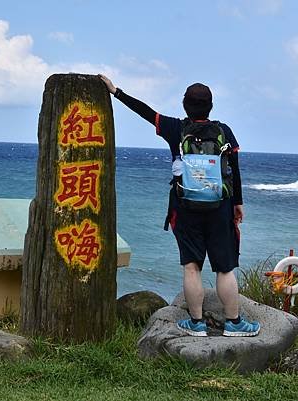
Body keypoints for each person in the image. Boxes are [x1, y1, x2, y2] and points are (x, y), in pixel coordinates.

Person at [98, 74, 259, 337]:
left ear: (185, 105)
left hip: (185, 207)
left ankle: (196, 323)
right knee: (225, 267)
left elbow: (147, 113)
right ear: (210, 106)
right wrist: (237, 203)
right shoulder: (224, 131)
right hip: (220, 207)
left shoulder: (176, 129)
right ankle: (234, 323)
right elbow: (235, 171)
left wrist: (116, 92)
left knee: (192, 266)